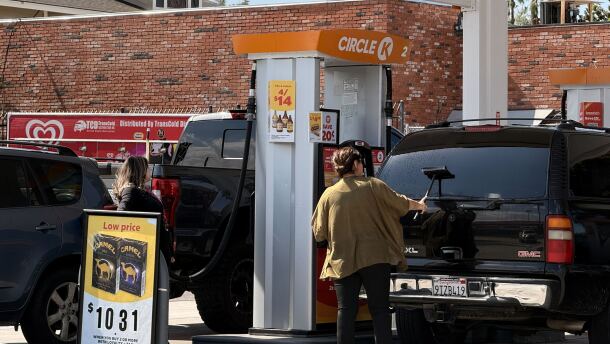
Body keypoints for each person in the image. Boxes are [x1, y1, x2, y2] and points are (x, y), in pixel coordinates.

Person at [311, 147, 427, 344]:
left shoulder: (328, 195)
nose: (363, 166)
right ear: (355, 164)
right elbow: (399, 203)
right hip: (376, 258)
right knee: (380, 309)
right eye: (361, 162)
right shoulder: (373, 185)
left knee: (345, 311)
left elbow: (318, 233)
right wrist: (420, 205)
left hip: (342, 260)